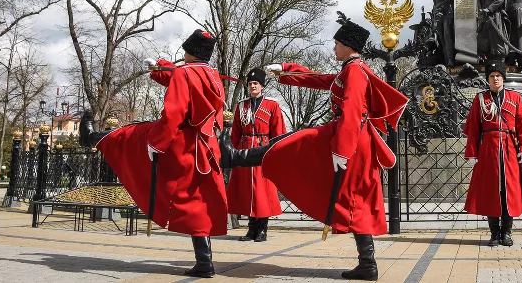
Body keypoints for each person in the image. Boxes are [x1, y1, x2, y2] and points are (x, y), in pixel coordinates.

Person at [220, 17, 408, 281]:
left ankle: (236, 157)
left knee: (295, 145)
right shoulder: (351, 69)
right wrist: (286, 70)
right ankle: (367, 264)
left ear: (347, 45)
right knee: (353, 200)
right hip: (351, 139)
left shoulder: (354, 71)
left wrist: (341, 150)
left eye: (336, 44)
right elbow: (320, 79)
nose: (333, 48)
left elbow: (353, 112)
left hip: (349, 140)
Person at [80, 29, 226, 278]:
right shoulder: (212, 75)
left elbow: (174, 112)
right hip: (206, 146)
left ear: (190, 51)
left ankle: (93, 138)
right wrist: (160, 68)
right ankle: (205, 263)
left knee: (132, 135)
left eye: (185, 51)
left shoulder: (185, 72)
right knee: (197, 204)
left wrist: (156, 144)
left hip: (182, 143)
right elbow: (187, 82)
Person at [463, 60, 522, 246]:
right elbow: (473, 128)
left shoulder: (515, 98)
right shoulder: (480, 99)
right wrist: (472, 152)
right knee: (491, 191)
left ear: (503, 78)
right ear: (488, 79)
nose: (495, 79)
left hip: (509, 149)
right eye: (492, 76)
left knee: (508, 191)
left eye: (498, 76)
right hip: (488, 150)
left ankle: (507, 232)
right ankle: (494, 233)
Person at [227, 67, 287, 242]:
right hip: (245, 150)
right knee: (247, 191)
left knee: (262, 192)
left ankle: (262, 229)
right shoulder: (242, 105)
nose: (252, 86)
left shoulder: (272, 105)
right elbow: (236, 132)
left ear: (262, 86)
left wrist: (277, 154)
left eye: (256, 83)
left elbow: (278, 133)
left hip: (263, 150)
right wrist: (232, 152)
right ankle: (251, 229)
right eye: (250, 84)